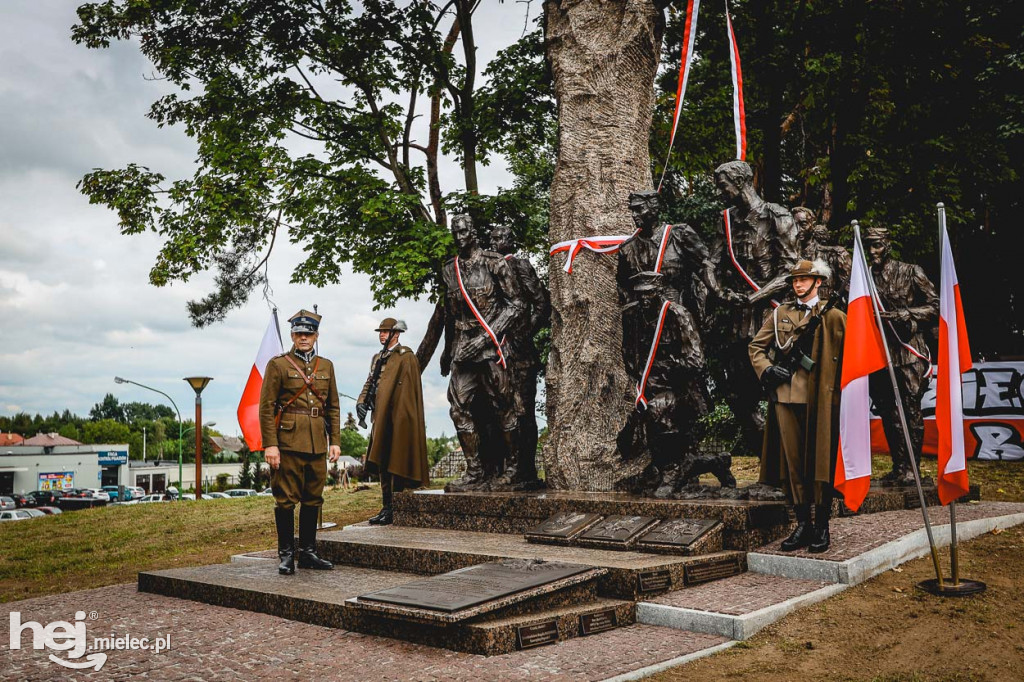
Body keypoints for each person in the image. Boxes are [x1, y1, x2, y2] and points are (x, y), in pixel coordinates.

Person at [749, 260, 846, 552]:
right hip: (787, 397)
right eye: (795, 280)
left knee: (820, 463)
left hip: (822, 398)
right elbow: (756, 347)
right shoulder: (781, 313)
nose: (798, 284)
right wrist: (766, 370)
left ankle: (822, 526)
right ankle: (802, 523)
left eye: (805, 279)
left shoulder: (835, 316)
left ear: (818, 282)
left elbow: (851, 357)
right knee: (793, 465)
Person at [706, 160, 799, 462]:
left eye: (723, 185)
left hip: (771, 316)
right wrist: (719, 291)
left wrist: (755, 297)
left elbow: (791, 270)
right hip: (737, 319)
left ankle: (785, 469)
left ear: (741, 181)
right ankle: (768, 464)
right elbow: (712, 262)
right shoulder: (726, 221)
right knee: (737, 396)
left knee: (777, 392)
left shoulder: (776, 215)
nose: (721, 192)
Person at [440, 214, 524, 492]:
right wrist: (447, 350)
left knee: (504, 407)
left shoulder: (493, 262)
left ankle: (513, 469)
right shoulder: (449, 270)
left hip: (492, 349)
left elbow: (516, 305)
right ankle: (474, 471)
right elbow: (450, 315)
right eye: (455, 232)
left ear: (473, 233)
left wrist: (487, 337)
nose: (459, 237)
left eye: (464, 231)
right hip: (463, 350)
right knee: (458, 408)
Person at [259, 309, 341, 575]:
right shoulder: (278, 364)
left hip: (318, 441)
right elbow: (266, 407)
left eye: (309, 333)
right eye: (299, 333)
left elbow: (333, 407)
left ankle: (308, 552)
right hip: (288, 442)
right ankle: (285, 555)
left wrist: (335, 441)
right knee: (285, 500)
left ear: (316, 336)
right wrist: (270, 445)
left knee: (313, 499)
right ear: (292, 335)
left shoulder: (326, 366)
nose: (303, 337)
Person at [862, 225, 939, 486]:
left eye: (877, 245)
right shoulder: (863, 279)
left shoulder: (910, 271)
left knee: (910, 409)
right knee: (887, 411)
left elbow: (936, 306)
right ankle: (899, 467)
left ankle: (912, 470)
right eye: (869, 245)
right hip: (880, 351)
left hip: (907, 348)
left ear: (888, 245)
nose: (872, 251)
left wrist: (908, 313)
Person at [489, 224, 548, 490]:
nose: (494, 242)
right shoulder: (489, 270)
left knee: (522, 411)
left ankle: (525, 470)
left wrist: (523, 332)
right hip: (493, 352)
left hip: (519, 353)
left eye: (500, 237)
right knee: (500, 411)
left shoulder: (521, 266)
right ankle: (503, 467)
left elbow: (542, 303)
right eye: (492, 238)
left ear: (511, 241)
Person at [357, 318, 430, 524]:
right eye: (380, 331)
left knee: (395, 461)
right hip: (379, 417)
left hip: (396, 418)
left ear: (396, 334)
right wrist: (362, 401)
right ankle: (386, 506)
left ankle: (395, 508)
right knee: (381, 462)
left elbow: (407, 392)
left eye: (385, 331)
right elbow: (370, 381)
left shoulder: (405, 356)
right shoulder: (377, 357)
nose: (382, 335)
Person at [793, 206, 852, 303]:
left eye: (803, 224)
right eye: (794, 225)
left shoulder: (834, 255)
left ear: (812, 225)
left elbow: (850, 295)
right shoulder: (785, 258)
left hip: (827, 315)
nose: (798, 229)